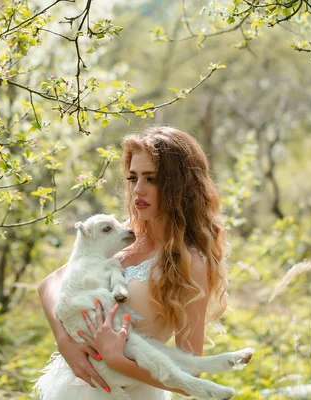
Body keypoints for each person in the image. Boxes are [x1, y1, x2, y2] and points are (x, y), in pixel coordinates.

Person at [34, 126, 229, 399]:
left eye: (152, 179)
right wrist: (64, 341)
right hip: (73, 388)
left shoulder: (191, 261)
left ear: (180, 185)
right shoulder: (119, 234)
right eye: (133, 177)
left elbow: (189, 375)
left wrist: (118, 361)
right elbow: (50, 284)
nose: (138, 189)